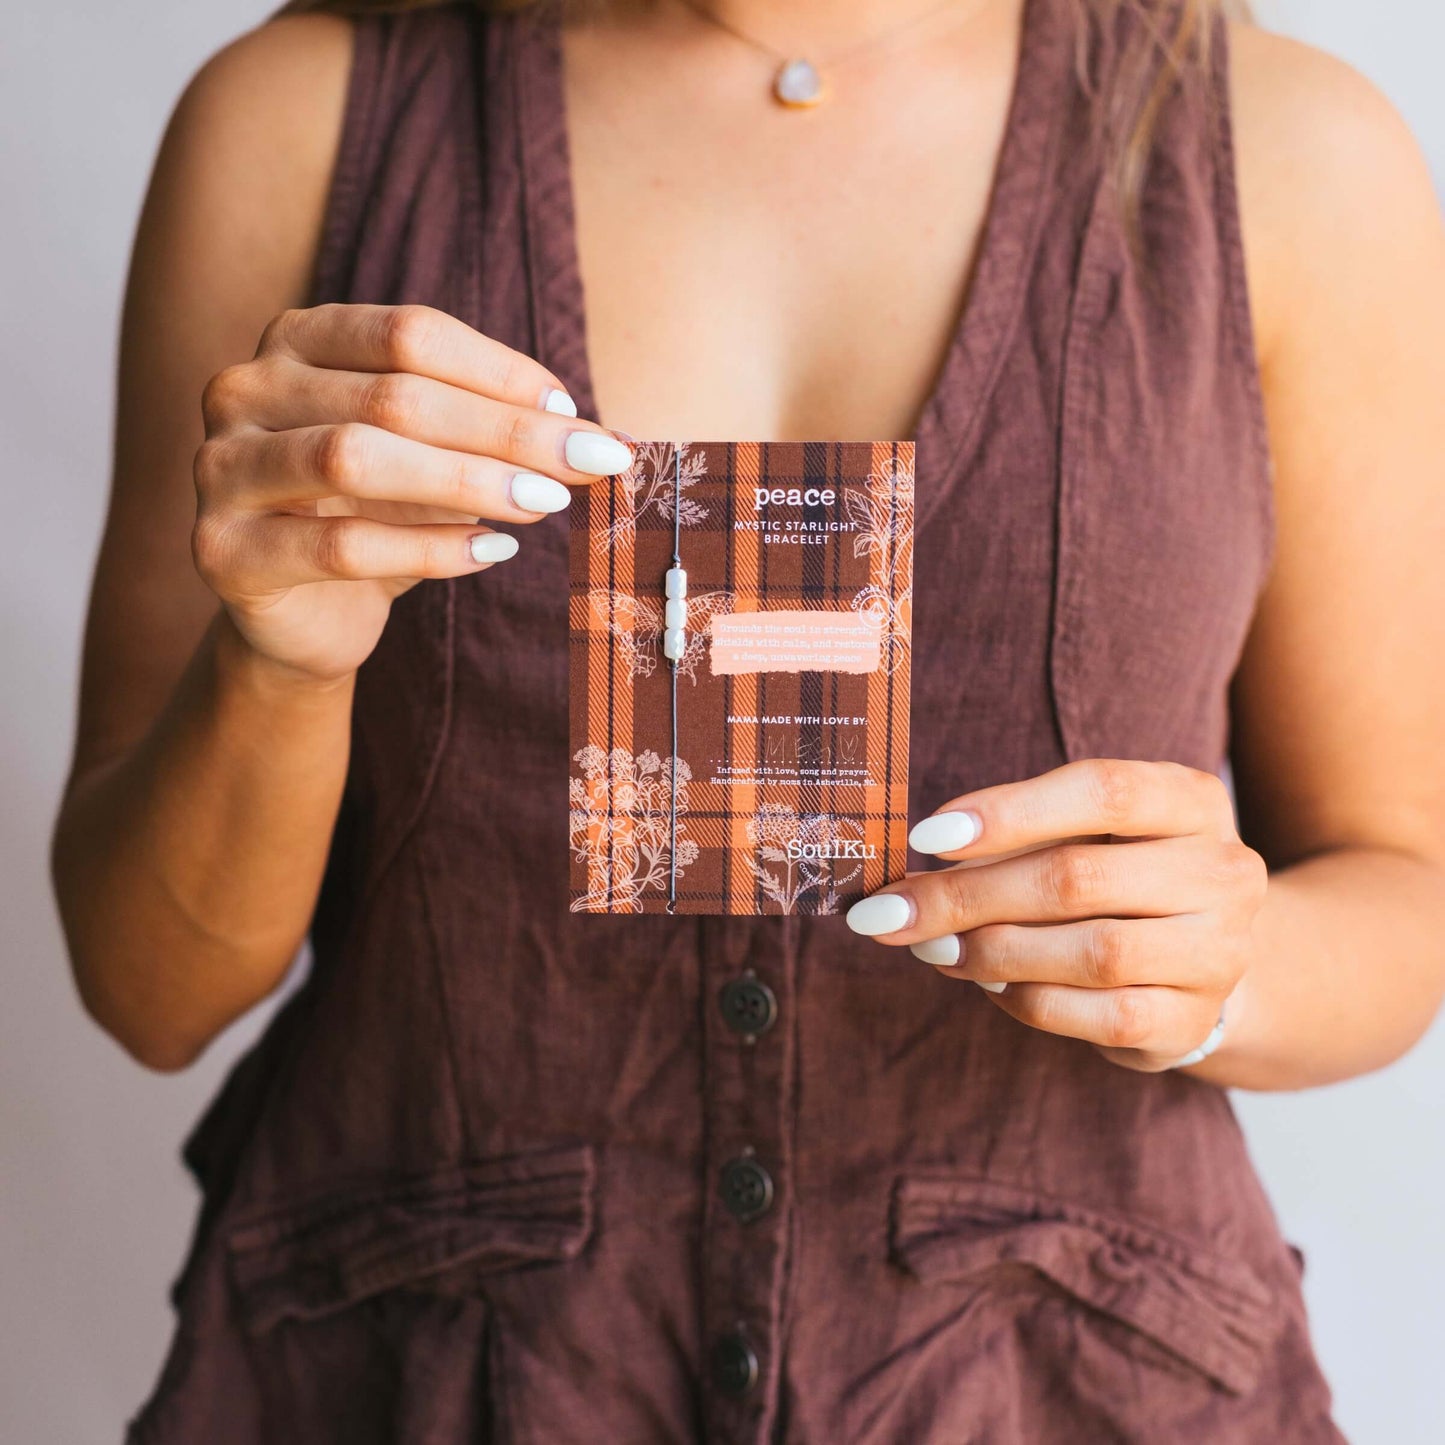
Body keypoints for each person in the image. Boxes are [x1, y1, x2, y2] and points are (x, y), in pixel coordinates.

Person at [51, 0, 1445, 1440]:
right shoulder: (300, 122)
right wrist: (276, 667)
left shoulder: (1289, 154)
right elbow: (150, 992)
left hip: (1065, 1395)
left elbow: (1402, 876)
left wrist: (1227, 965)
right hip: (432, 1388)